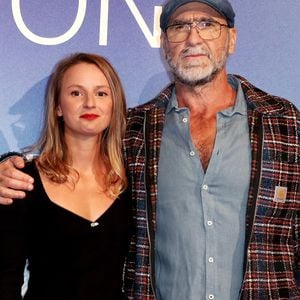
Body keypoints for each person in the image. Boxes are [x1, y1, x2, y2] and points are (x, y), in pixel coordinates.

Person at [0, 0, 299, 299]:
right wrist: (7, 166)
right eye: (179, 27)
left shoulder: (284, 123)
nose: (193, 38)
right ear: (165, 45)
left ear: (231, 39)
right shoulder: (134, 130)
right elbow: (73, 157)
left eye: (208, 25)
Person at [0, 52, 131, 300]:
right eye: (76, 93)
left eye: (101, 93)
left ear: (114, 105)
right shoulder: (21, 181)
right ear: (58, 107)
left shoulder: (131, 179)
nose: (90, 103)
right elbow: (6, 280)